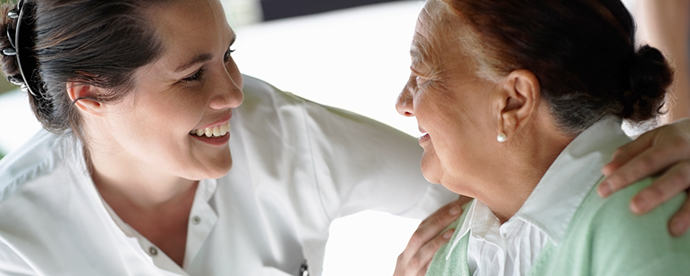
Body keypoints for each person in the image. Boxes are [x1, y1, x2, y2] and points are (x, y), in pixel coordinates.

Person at [0, 0, 687, 276]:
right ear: (89, 95)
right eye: (191, 74)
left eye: (229, 55)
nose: (235, 93)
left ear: (513, 100)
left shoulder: (642, 213)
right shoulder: (15, 241)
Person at [393, 0, 690, 275]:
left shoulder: (642, 225)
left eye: (421, 76)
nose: (402, 103)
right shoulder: (444, 250)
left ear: (513, 101)